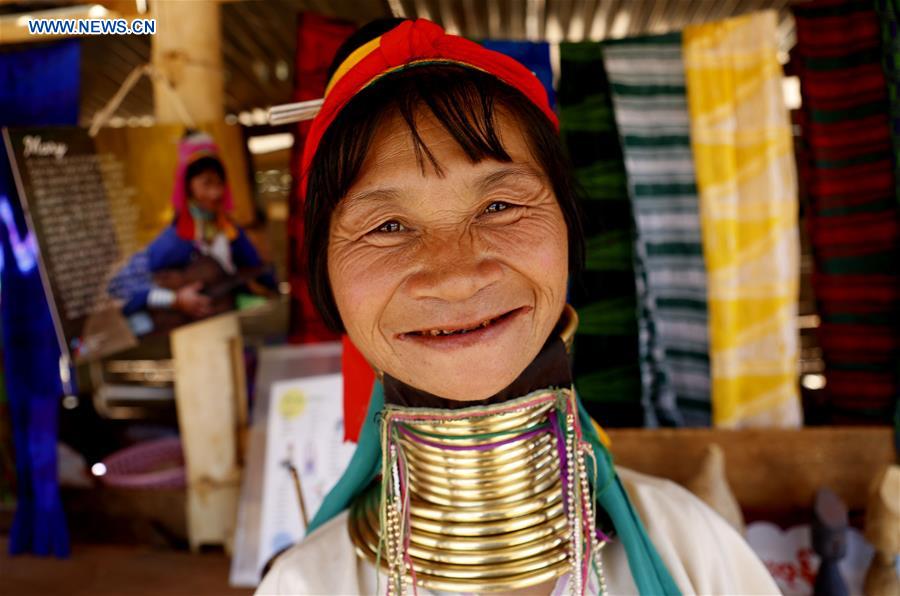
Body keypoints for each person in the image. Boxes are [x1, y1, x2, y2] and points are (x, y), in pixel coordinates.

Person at [257, 19, 780, 595]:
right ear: (324, 281)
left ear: (569, 233)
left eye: (500, 205)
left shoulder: (693, 550)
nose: (455, 276)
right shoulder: (306, 585)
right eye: (387, 225)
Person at [108, 131, 275, 331]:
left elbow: (261, 273)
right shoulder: (174, 240)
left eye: (219, 183)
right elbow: (120, 285)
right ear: (188, 188)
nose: (216, 193)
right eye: (206, 183)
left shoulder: (231, 232)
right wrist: (174, 299)